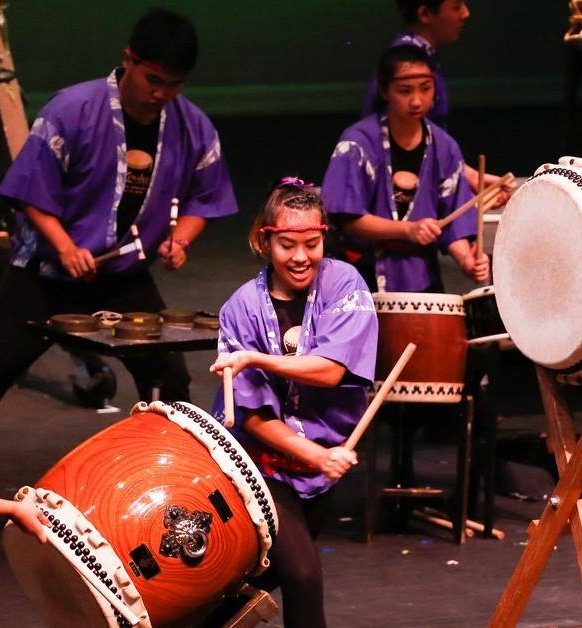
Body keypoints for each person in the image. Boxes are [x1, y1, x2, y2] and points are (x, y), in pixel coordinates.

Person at [0, 8, 237, 410]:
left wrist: (181, 239)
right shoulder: (71, 110)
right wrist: (66, 247)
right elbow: (31, 192)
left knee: (169, 378)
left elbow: (203, 198)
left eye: (173, 85)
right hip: (46, 272)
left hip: (122, 277)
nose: (161, 94)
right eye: (152, 80)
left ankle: (163, 469)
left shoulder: (192, 125)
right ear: (129, 58)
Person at [209, 180, 377, 628]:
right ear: (263, 240)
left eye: (312, 243)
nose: (300, 256)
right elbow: (254, 417)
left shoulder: (345, 284)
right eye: (287, 244)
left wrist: (318, 459)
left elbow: (331, 370)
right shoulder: (240, 308)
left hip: (315, 468)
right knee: (303, 576)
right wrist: (317, 456)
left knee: (262, 579)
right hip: (261, 465)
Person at [324, 44, 488, 293]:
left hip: (421, 275)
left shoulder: (445, 147)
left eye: (426, 89)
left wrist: (466, 259)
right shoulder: (356, 143)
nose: (416, 100)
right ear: (383, 89)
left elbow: (453, 219)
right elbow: (348, 219)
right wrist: (407, 230)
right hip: (361, 275)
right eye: (405, 90)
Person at [362, 0, 511, 204]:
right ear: (424, 13)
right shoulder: (405, 65)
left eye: (425, 88)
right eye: (456, 7)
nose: (466, 13)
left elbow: (431, 139)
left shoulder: (423, 57)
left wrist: (467, 176)